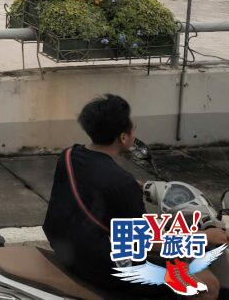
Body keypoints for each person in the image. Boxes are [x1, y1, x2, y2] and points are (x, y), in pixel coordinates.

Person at [44, 94, 225, 299]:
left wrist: (138, 186)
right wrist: (203, 237)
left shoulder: (69, 155)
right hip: (107, 269)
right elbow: (143, 242)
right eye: (132, 125)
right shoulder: (122, 183)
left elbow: (93, 183)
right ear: (123, 137)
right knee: (208, 285)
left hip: (70, 250)